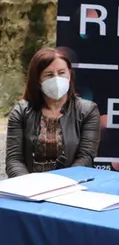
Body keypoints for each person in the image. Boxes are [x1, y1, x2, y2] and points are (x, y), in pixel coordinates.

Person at [6, 48, 100, 178]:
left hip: (71, 187)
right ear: (38, 80)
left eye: (61, 73)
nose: (57, 79)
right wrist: (27, 186)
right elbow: (14, 159)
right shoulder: (21, 111)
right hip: (29, 187)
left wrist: (63, 185)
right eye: (49, 75)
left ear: (69, 74)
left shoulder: (88, 110)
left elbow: (86, 157)